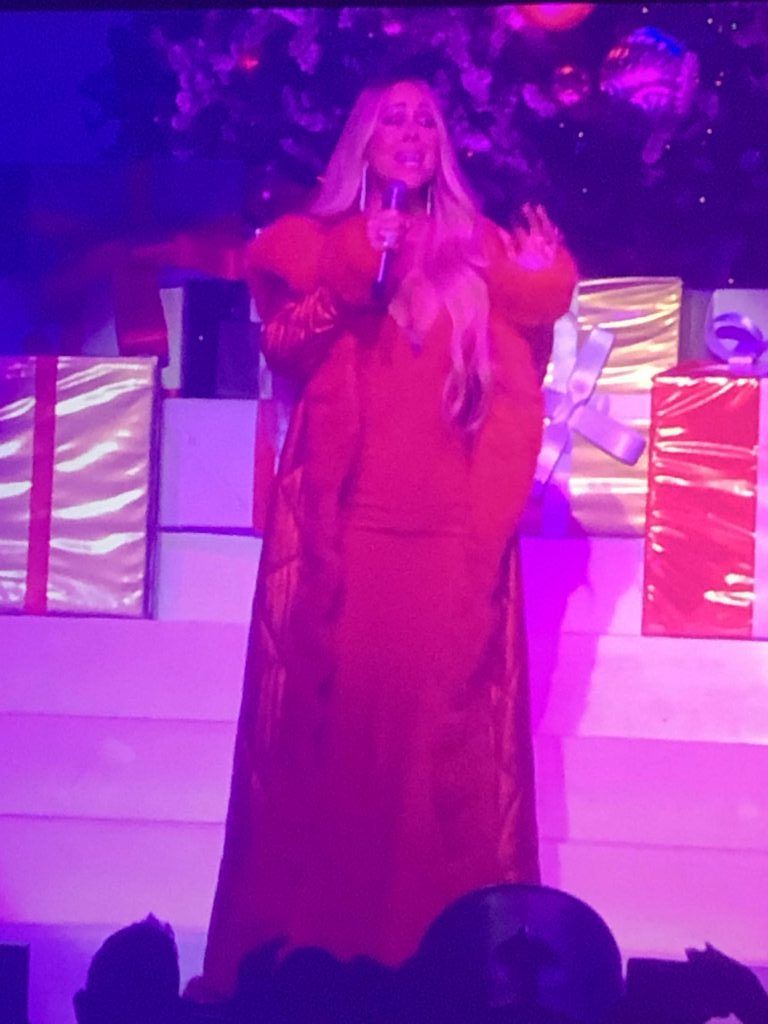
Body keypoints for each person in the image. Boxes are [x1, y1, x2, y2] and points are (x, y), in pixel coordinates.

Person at [193, 76, 578, 1000]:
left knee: (439, 751)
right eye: (392, 119)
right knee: (338, 744)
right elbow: (284, 346)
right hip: (350, 537)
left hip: (451, 539)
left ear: (442, 144)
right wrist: (352, 273)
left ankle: (435, 962)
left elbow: (517, 379)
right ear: (363, 141)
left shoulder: (481, 247)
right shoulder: (315, 241)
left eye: (426, 120)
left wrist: (533, 290)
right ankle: (319, 960)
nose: (410, 132)